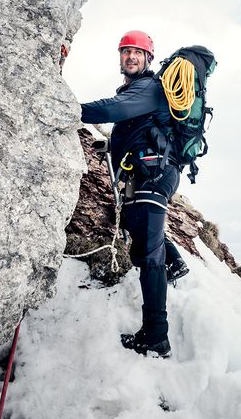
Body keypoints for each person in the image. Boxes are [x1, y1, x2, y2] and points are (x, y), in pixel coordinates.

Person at [80, 30, 185, 357]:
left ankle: (156, 335)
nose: (130, 57)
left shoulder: (149, 88)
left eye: (137, 52)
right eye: (125, 51)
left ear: (149, 59)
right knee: (136, 225)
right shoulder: (138, 90)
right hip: (146, 172)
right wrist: (109, 145)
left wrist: (69, 108)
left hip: (154, 173)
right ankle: (177, 263)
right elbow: (135, 130)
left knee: (149, 253)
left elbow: (113, 110)